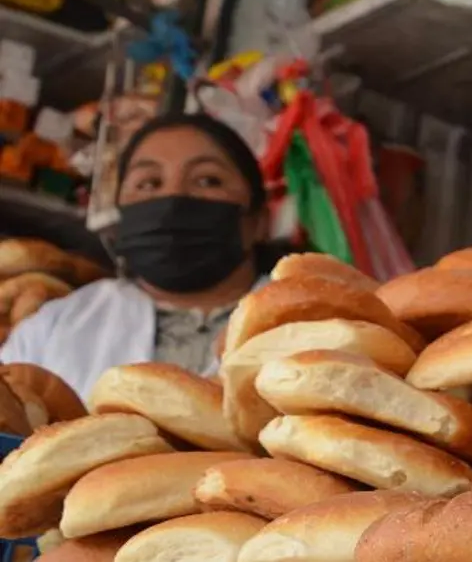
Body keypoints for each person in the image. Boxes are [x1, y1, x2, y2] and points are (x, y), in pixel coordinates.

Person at [0, 112, 273, 399]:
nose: (173, 197)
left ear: (259, 221)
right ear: (121, 218)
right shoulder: (53, 328)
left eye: (207, 180)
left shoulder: (313, 322)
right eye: (148, 183)